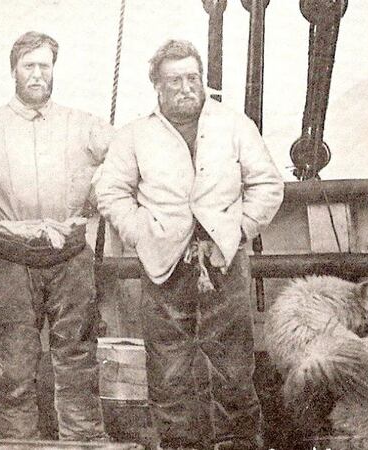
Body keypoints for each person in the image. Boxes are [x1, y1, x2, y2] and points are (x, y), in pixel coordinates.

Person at [94, 39, 284, 449]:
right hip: (164, 266)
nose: (186, 88)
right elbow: (110, 191)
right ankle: (178, 445)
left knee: (234, 368)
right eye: (175, 80)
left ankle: (238, 444)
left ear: (202, 80)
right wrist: (140, 232)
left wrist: (239, 230)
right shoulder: (135, 135)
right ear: (157, 87)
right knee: (168, 371)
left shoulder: (235, 125)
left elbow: (268, 184)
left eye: (192, 78)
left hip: (225, 262)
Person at [0, 31, 108, 441]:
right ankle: (16, 444)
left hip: (71, 259)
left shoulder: (84, 125)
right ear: (14, 70)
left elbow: (126, 160)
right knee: (14, 368)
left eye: (45, 65)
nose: (37, 74)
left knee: (78, 362)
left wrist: (95, 199)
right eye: (29, 66)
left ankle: (83, 443)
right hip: (13, 262)